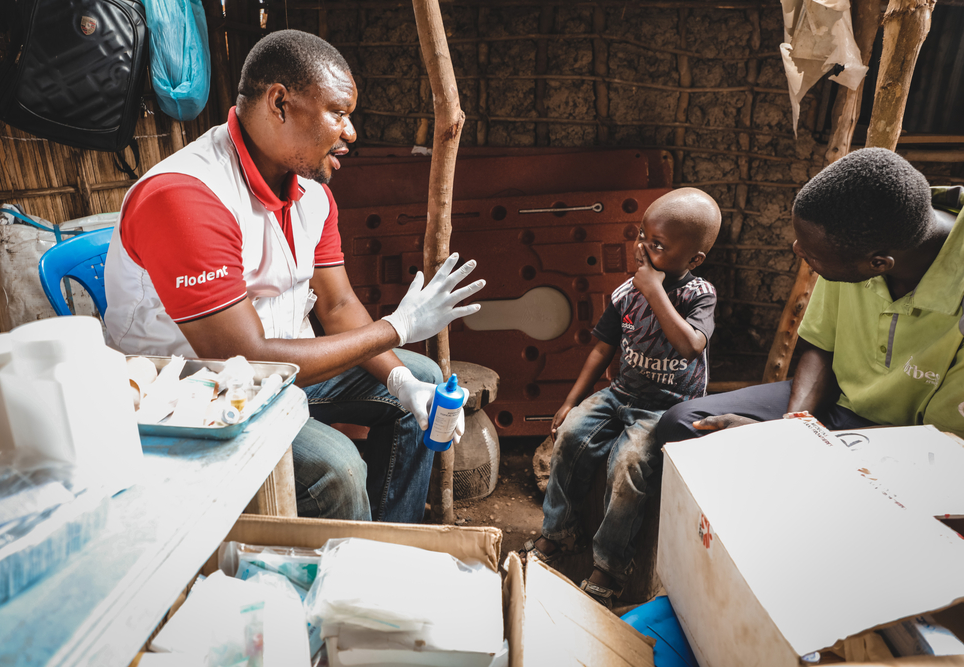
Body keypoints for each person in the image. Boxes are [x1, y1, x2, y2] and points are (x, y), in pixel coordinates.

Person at [103, 30, 485, 523]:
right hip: (196, 395)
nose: (350, 132)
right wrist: (398, 327)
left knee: (423, 381)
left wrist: (398, 376)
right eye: (339, 113)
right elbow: (247, 359)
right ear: (279, 103)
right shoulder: (186, 197)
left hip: (279, 374)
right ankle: (346, 583)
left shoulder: (311, 193)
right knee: (339, 468)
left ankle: (393, 545)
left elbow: (338, 306)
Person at [655, 147, 964, 445]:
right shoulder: (862, 230)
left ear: (878, 264)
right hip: (833, 403)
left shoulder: (869, 241)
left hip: (913, 440)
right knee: (683, 424)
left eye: (813, 254)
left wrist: (805, 444)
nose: (797, 249)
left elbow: (943, 441)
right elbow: (822, 346)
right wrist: (794, 426)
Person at [521, 188, 722, 608]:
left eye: (659, 246)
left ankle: (610, 567)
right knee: (571, 436)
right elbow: (602, 346)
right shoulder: (625, 292)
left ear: (694, 259)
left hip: (667, 407)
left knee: (628, 465)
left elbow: (691, 346)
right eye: (642, 237)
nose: (644, 250)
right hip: (621, 393)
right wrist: (570, 400)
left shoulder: (699, 294)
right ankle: (559, 533)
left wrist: (654, 290)